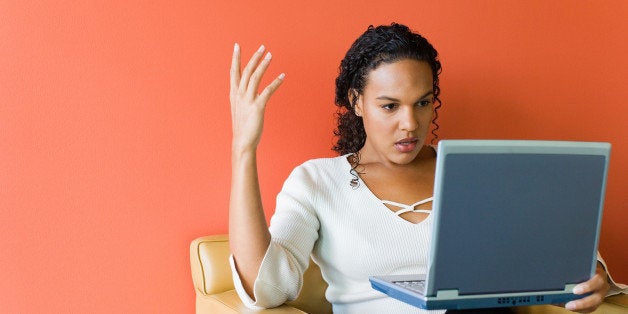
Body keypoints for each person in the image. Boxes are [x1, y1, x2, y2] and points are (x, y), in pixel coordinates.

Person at [228, 23, 616, 313]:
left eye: (423, 102)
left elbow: (559, 250)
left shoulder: (473, 173)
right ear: (356, 101)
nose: (411, 124)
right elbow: (269, 289)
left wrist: (591, 276)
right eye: (390, 105)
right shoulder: (316, 182)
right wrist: (244, 150)